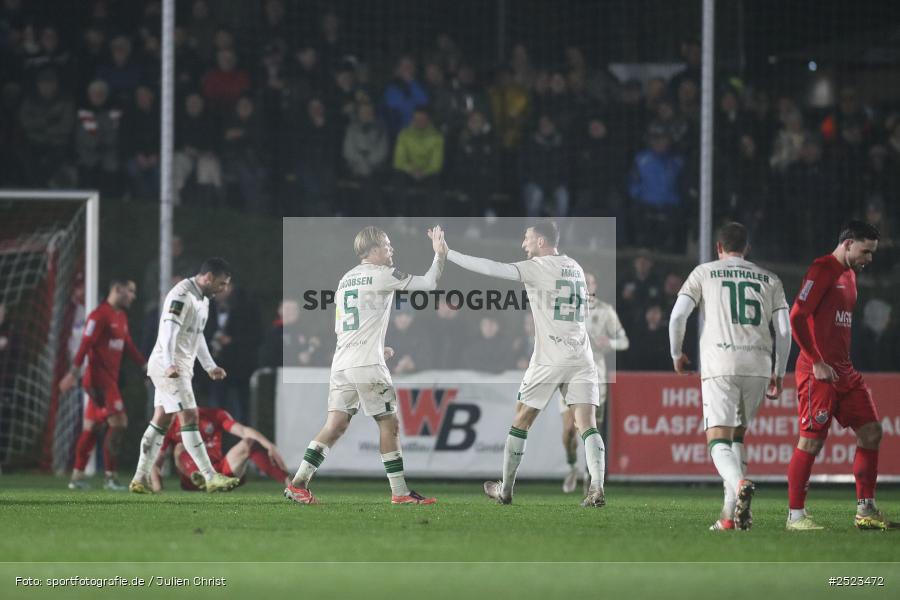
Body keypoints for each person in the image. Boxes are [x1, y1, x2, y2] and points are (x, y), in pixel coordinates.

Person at [444, 220, 607, 507]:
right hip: (582, 356)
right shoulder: (576, 267)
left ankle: (505, 490)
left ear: (542, 242)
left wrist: (449, 253)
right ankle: (596, 488)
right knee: (588, 425)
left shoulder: (537, 267)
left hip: (550, 357)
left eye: (528, 239)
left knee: (521, 419)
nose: (524, 244)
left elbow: (491, 268)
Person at [284, 226, 447, 505]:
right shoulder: (382, 274)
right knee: (389, 423)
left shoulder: (345, 279)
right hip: (366, 363)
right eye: (386, 245)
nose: (391, 250)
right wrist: (439, 255)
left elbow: (343, 326)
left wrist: (375, 346)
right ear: (372, 251)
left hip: (343, 361)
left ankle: (298, 484)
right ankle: (400, 492)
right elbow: (429, 283)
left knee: (334, 424)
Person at [669, 222, 792, 531]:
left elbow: (678, 316)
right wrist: (779, 371)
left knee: (718, 439)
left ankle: (739, 485)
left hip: (720, 363)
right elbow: (786, 331)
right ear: (746, 248)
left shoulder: (704, 272)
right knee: (737, 435)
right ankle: (729, 516)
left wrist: (676, 354)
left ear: (718, 248)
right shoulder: (770, 278)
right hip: (759, 365)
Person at [785, 221, 897, 530]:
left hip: (845, 372)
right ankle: (795, 516)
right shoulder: (822, 270)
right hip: (817, 372)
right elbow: (797, 316)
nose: (869, 259)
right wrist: (816, 361)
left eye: (872, 253)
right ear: (848, 244)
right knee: (811, 442)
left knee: (872, 431)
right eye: (866, 251)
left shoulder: (850, 276)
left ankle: (866, 509)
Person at [128, 258, 241, 494]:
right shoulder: (181, 296)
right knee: (189, 415)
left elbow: (197, 335)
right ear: (207, 277)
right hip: (169, 367)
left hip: (180, 367)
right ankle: (210, 476)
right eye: (221, 284)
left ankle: (139, 478)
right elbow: (169, 330)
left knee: (162, 419)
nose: (223, 290)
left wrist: (210, 366)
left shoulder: (203, 299)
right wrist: (169, 364)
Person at [60, 278, 146, 490]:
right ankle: (110, 477)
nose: (133, 296)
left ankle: (77, 477)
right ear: (117, 289)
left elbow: (128, 345)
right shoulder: (99, 316)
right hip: (99, 380)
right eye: (130, 291)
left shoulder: (121, 316)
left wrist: (146, 366)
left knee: (92, 427)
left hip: (108, 380)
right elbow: (86, 344)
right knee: (119, 422)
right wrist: (73, 373)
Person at [560, 272, 628, 494]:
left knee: (591, 428)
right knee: (569, 430)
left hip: (595, 376)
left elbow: (624, 341)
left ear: (595, 286)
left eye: (590, 282)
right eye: (583, 283)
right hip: (568, 375)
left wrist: (610, 342)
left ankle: (591, 477)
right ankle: (572, 467)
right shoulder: (565, 310)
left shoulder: (606, 311)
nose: (587, 286)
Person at [150, 407, 289, 492]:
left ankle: (290, 483)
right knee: (180, 448)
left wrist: (270, 446)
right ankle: (203, 478)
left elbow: (243, 430)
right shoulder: (171, 425)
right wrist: (157, 488)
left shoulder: (214, 415)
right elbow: (156, 461)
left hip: (221, 475)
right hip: (193, 482)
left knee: (249, 442)